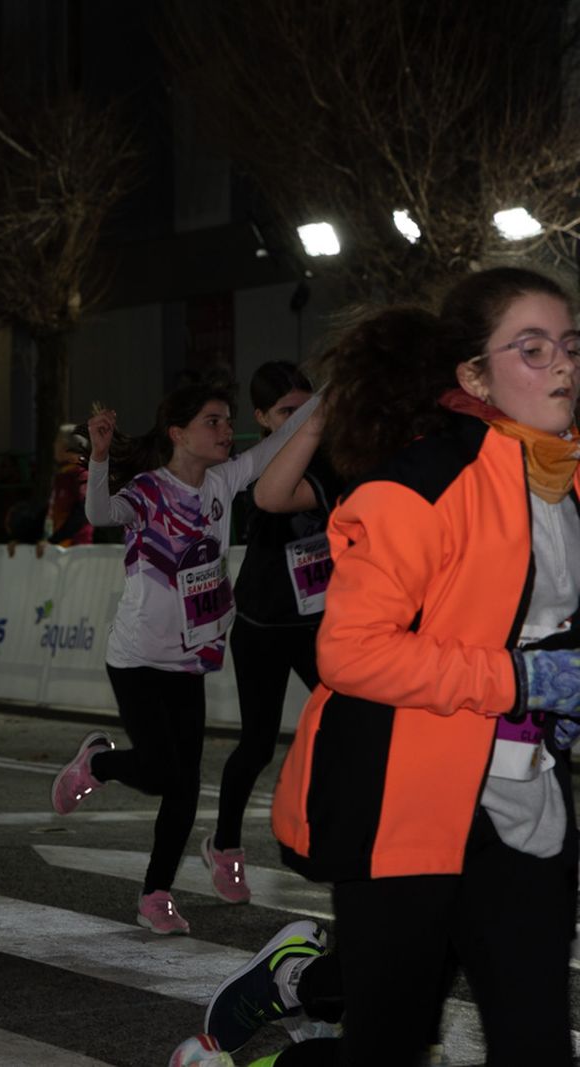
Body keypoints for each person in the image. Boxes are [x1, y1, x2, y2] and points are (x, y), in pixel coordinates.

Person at [265, 266, 580, 1064]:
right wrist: (519, 680)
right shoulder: (418, 484)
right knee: (392, 1043)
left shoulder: (569, 480)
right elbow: (351, 650)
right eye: (533, 348)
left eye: (571, 345)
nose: (563, 365)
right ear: (474, 376)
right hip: (404, 810)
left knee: (538, 1043)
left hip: (526, 804)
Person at [51, 381, 318, 934]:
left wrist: (333, 390)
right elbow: (100, 511)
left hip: (190, 659)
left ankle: (156, 895)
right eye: (212, 422)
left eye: (228, 421)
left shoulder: (224, 481)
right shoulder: (149, 490)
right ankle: (97, 764)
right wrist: (99, 456)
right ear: (178, 433)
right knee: (158, 772)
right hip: (138, 659)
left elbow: (283, 438)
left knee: (184, 785)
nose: (226, 431)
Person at [202, 362, 339, 904]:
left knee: (348, 726)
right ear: (261, 418)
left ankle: (332, 836)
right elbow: (273, 498)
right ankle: (225, 845)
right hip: (261, 623)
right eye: (286, 413)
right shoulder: (252, 469)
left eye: (307, 410)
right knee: (257, 745)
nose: (299, 420)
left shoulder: (331, 458)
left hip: (318, 625)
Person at [47, 424, 93, 547]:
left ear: (66, 446)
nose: (54, 445)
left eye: (57, 441)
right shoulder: (63, 474)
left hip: (76, 548)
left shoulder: (81, 473)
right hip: (60, 546)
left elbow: (82, 512)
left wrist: (54, 540)